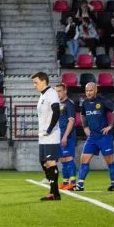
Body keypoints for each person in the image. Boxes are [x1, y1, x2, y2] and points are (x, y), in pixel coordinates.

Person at [74, 82, 114, 192]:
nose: (88, 93)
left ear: (95, 90)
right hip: (92, 137)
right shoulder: (84, 103)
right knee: (84, 160)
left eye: (90, 90)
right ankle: (80, 185)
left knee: (110, 162)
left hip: (104, 137)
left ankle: (113, 184)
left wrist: (110, 126)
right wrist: (85, 127)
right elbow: (83, 114)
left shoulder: (102, 101)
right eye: (86, 91)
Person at [32, 71, 62, 201]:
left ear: (44, 81)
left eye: (36, 82)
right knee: (43, 161)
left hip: (51, 134)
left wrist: (50, 129)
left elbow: (56, 111)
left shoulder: (52, 93)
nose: (34, 85)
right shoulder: (42, 95)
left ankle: (54, 193)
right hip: (43, 135)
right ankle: (53, 191)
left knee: (50, 162)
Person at [55, 83, 78, 190]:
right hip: (60, 135)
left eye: (59, 91)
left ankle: (72, 183)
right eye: (56, 91)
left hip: (68, 136)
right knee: (63, 160)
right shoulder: (58, 104)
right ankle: (65, 182)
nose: (57, 93)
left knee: (68, 158)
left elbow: (71, 121)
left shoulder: (69, 104)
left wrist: (65, 136)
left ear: (65, 91)